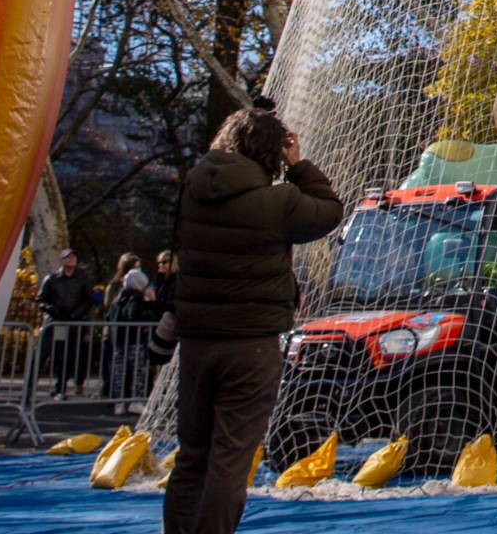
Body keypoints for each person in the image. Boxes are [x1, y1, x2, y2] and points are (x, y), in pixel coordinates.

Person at [163, 103, 342, 534]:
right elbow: (330, 210)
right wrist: (298, 165)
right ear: (273, 152)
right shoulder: (277, 201)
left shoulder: (193, 191)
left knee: (192, 456)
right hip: (251, 344)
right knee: (230, 459)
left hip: (198, 344)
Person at [36, 248, 99, 397]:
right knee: (42, 355)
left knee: (65, 357)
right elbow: (40, 300)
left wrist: (77, 314)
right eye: (67, 258)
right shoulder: (52, 279)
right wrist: (53, 310)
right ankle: (30, 388)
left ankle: (60, 389)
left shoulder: (82, 278)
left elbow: (89, 300)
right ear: (62, 260)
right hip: (54, 322)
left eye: (73, 257)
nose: (70, 260)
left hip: (72, 323)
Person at [107, 261, 156, 412]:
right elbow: (134, 315)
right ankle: (135, 400)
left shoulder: (118, 296)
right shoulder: (136, 297)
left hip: (118, 339)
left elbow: (110, 316)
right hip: (133, 339)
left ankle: (119, 402)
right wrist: (148, 311)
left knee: (119, 372)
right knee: (137, 370)